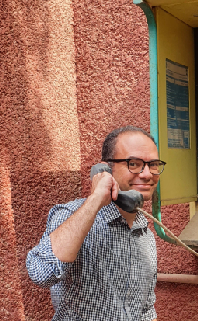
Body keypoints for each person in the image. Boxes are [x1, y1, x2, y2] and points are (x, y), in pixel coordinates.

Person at [26, 126, 165, 321]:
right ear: (106, 169)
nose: (147, 174)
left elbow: (146, 310)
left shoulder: (144, 231)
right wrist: (96, 199)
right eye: (134, 164)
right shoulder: (71, 215)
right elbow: (41, 274)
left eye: (153, 164)